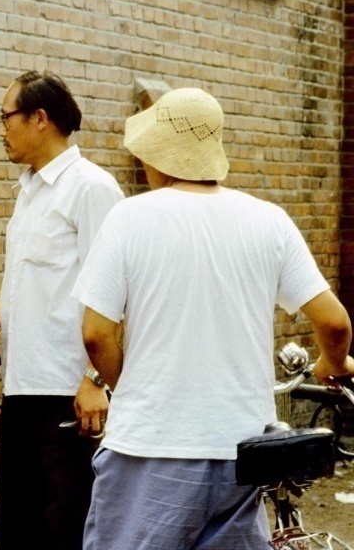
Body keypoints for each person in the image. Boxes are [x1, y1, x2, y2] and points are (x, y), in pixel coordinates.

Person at [73, 87, 354, 549]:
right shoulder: (269, 220)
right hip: (241, 454)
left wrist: (135, 388)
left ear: (159, 158)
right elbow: (336, 323)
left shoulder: (129, 218)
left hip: (149, 447)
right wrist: (333, 364)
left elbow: (96, 333)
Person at [0, 71, 124, 549]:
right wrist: (1, 312)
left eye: (5, 117)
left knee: (64, 530)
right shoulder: (29, 191)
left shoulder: (91, 188)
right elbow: (45, 284)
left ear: (40, 118)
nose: (0, 129)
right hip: (20, 387)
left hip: (68, 394)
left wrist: (96, 380)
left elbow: (120, 293)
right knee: (16, 528)